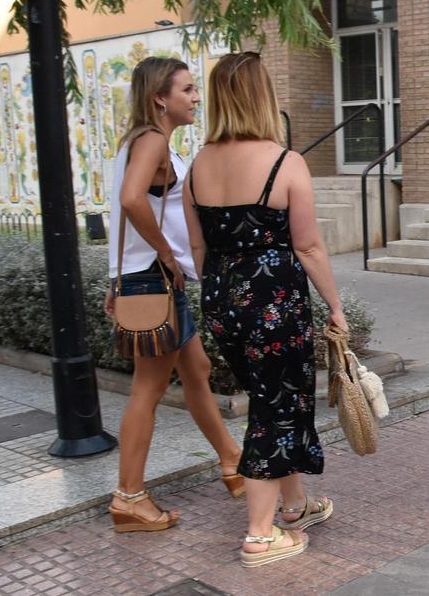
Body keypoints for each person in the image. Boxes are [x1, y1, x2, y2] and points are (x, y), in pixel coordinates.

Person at [184, 52, 349, 568]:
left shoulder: (199, 165)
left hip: (223, 301)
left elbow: (197, 249)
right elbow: (309, 247)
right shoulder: (285, 162)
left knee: (271, 397)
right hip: (274, 302)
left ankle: (295, 506)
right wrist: (336, 307)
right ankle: (259, 533)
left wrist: (220, 296)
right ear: (263, 97)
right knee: (274, 406)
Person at [105, 56, 243, 532]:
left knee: (197, 368)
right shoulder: (152, 140)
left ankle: (231, 460)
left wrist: (119, 278)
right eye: (187, 89)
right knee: (148, 388)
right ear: (160, 97)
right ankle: (129, 498)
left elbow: (125, 210)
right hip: (154, 279)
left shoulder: (142, 142)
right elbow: (130, 198)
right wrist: (165, 253)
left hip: (147, 279)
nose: (196, 97)